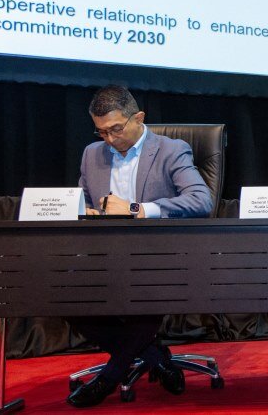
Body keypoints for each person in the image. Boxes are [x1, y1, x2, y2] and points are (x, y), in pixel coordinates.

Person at [66, 85, 213, 408]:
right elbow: (84, 201)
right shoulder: (92, 154)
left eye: (116, 129)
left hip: (159, 255)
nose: (109, 139)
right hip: (105, 254)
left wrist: (137, 209)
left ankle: (107, 378)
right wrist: (86, 212)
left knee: (146, 288)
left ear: (139, 118)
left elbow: (201, 200)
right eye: (101, 131)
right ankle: (156, 356)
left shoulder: (171, 150)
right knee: (64, 292)